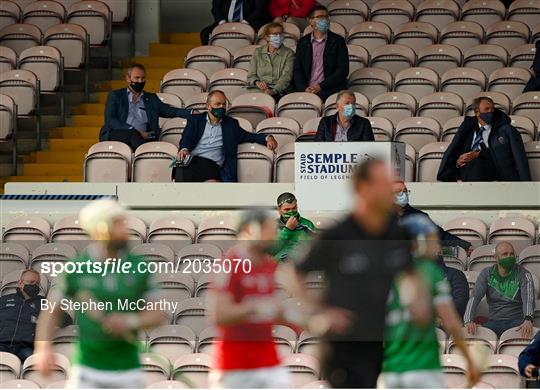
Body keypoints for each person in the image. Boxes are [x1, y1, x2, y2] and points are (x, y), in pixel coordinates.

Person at [287, 158, 432, 388]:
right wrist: (318, 311)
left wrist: (418, 303)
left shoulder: (397, 235)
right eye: (384, 183)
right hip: (343, 346)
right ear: (363, 189)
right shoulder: (338, 235)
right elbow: (293, 272)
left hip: (381, 342)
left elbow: (411, 276)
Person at [34, 199, 167, 388]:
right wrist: (43, 348)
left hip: (127, 371)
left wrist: (130, 321)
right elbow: (51, 312)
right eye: (119, 223)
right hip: (86, 371)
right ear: (102, 229)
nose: (126, 228)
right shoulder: (76, 268)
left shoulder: (140, 267)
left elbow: (158, 314)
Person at [381, 214, 479, 388]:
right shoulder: (429, 272)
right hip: (423, 364)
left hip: (391, 366)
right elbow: (451, 322)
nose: (437, 244)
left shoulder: (385, 273)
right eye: (432, 238)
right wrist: (469, 360)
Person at [208, 210, 290, 388]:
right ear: (249, 229)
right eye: (270, 229)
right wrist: (254, 307)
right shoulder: (229, 263)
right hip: (235, 365)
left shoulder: (269, 265)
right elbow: (218, 314)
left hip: (269, 360)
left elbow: (272, 310)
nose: (275, 235)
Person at [175, 90, 278, 182]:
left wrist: (268, 138)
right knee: (181, 165)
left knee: (184, 169)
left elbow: (249, 136)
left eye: (224, 104)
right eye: (218, 104)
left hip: (212, 166)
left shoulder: (231, 125)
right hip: (193, 162)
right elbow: (186, 137)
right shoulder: (195, 120)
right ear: (208, 106)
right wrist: (184, 149)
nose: (221, 107)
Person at [99, 64, 191, 152]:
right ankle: (146, 153)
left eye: (142, 78)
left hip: (144, 137)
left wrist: (191, 112)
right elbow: (110, 120)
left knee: (148, 137)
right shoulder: (116, 95)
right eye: (137, 78)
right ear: (128, 78)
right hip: (118, 133)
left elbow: (171, 111)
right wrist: (132, 130)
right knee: (133, 134)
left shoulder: (151, 99)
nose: (140, 81)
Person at [437, 96, 531, 182]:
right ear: (477, 112)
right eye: (487, 109)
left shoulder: (505, 130)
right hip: (467, 175)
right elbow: (454, 151)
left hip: (495, 176)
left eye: (492, 109)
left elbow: (520, 159)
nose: (491, 112)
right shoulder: (467, 128)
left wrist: (526, 185)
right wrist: (458, 162)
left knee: (477, 164)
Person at [464, 241, 535, 338]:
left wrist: (528, 319)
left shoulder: (524, 274)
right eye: (505, 254)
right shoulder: (486, 273)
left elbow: (529, 300)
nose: (509, 257)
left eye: (511, 254)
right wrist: (468, 320)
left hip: (517, 323)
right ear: (496, 258)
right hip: (493, 322)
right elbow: (475, 297)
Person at [393, 180, 472, 252]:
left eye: (405, 191)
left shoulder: (419, 215)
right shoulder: (382, 218)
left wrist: (465, 246)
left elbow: (440, 235)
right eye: (398, 192)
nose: (403, 195)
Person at [293, 5, 349, 100]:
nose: (324, 20)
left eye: (326, 17)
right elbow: (297, 70)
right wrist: (304, 89)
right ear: (310, 21)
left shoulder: (338, 41)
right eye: (320, 17)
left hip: (329, 89)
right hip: (307, 89)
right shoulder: (303, 42)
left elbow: (343, 70)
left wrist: (321, 86)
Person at [0, 269, 44, 362]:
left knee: (35, 362)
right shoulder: (4, 300)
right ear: (20, 283)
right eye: (31, 282)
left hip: (25, 348)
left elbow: (65, 319)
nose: (34, 286)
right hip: (2, 345)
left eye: (37, 283)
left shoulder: (43, 302)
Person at [246, 22, 295, 100]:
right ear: (267, 37)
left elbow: (286, 78)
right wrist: (257, 82)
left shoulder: (289, 53)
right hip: (257, 90)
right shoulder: (258, 52)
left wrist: (273, 91)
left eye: (280, 34)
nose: (278, 36)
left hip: (279, 92)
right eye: (275, 34)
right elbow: (251, 76)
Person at [200, 0, 271, 45]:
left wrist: (246, 22)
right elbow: (215, 8)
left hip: (251, 22)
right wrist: (222, 22)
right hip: (225, 23)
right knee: (205, 34)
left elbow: (259, 9)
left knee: (261, 34)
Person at [274, 192, 316, 262]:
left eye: (294, 208)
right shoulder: (272, 226)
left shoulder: (307, 225)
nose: (291, 212)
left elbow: (315, 248)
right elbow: (272, 250)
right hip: (279, 267)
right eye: (287, 209)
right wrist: (287, 230)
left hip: (301, 266)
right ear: (279, 210)